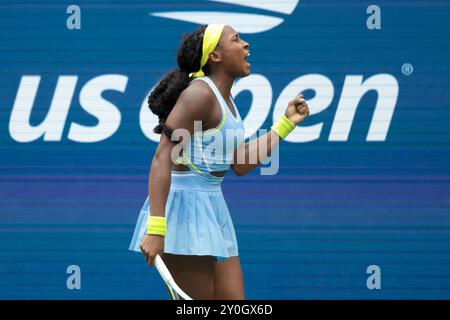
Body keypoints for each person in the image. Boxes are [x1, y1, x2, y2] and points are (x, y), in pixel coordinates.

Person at [129, 23, 309, 300]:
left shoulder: (226, 100)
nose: (246, 44)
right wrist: (156, 228)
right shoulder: (199, 94)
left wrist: (285, 125)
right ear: (215, 55)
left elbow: (238, 163)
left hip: (213, 208)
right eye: (236, 39)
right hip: (183, 210)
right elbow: (162, 158)